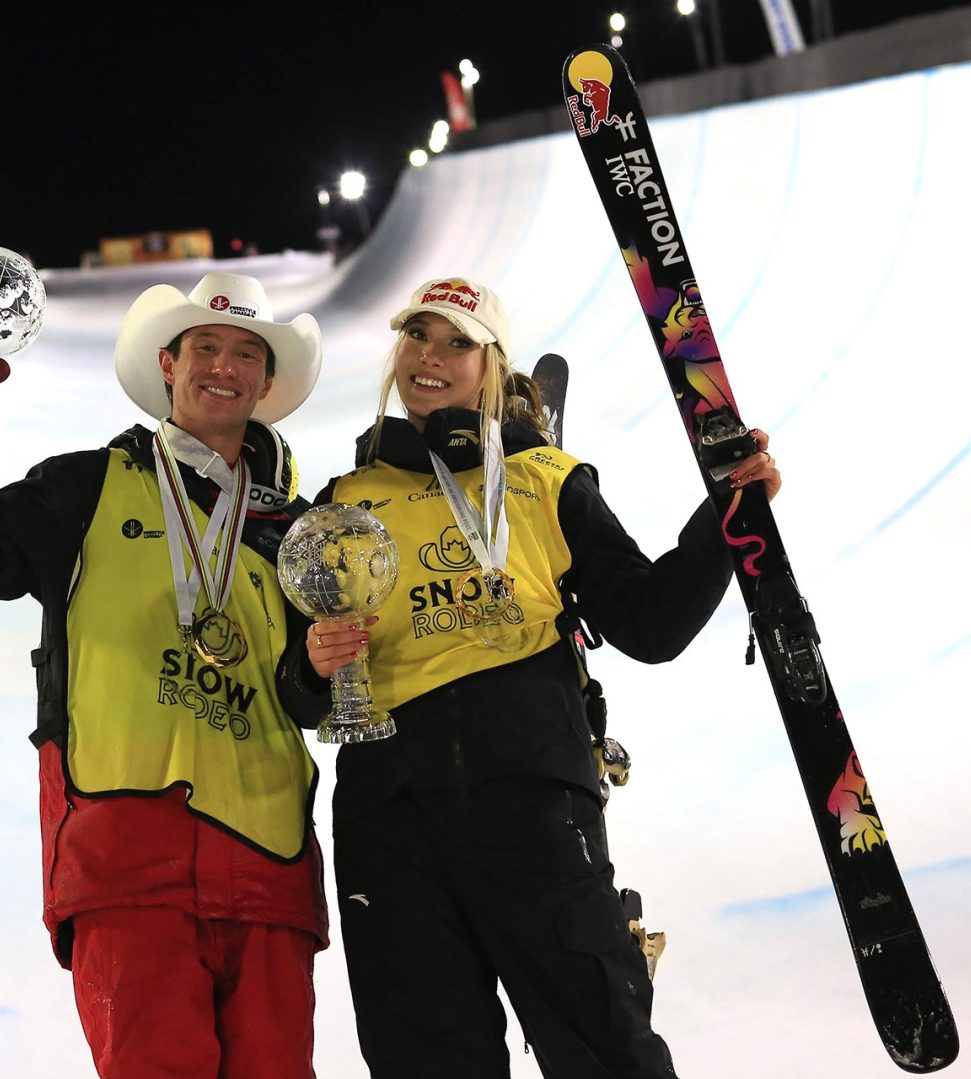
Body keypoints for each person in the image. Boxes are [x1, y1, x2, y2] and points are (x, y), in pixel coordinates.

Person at [289, 276, 782, 1078]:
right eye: (417, 336)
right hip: (392, 826)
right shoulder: (344, 502)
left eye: (456, 342)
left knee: (604, 1050)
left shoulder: (547, 479)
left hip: (534, 804)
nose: (430, 357)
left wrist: (727, 514)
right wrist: (312, 666)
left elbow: (650, 623)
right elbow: (298, 690)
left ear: (491, 366)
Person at [0, 271, 330, 1079]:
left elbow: (308, 698)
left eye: (246, 352)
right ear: (168, 363)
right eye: (205, 346)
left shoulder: (297, 532)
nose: (224, 367)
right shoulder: (86, 486)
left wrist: (322, 665)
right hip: (127, 854)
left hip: (270, 864)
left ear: (267, 381)